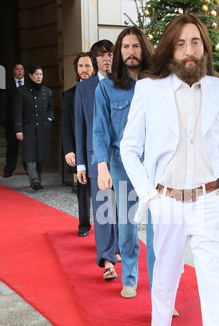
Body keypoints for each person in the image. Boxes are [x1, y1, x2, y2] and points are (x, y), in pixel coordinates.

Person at [120, 14, 219, 326]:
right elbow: (129, 148)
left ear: (204, 48)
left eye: (195, 43)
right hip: (168, 200)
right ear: (170, 49)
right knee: (166, 272)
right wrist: (150, 196)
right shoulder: (149, 89)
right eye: (181, 44)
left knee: (213, 289)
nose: (189, 51)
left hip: (210, 201)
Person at [92, 27, 153, 299]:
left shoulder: (157, 83)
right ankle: (130, 277)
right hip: (122, 165)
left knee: (158, 228)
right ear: (119, 52)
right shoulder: (106, 87)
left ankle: (161, 287)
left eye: (136, 46)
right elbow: (99, 130)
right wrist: (101, 165)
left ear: (144, 50)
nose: (131, 51)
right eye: (126, 46)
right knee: (127, 225)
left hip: (154, 165)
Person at [75, 40, 120, 279]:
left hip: (122, 158)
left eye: (110, 54)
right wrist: (81, 163)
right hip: (95, 159)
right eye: (102, 56)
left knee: (122, 207)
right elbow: (79, 127)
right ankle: (106, 259)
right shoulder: (84, 89)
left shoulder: (125, 83)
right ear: (95, 60)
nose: (107, 59)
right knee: (104, 208)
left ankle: (119, 247)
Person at [62, 52, 94, 237]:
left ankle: (106, 229)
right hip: (79, 149)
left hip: (98, 148)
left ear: (94, 67)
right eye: (80, 66)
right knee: (82, 189)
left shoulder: (102, 90)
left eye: (87, 65)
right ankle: (84, 225)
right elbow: (66, 125)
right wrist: (69, 150)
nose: (84, 69)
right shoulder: (69, 95)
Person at [14, 65, 54, 190]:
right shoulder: (21, 91)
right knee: (30, 156)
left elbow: (50, 108)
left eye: (41, 74)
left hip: (42, 128)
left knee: (39, 155)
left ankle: (38, 180)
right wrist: (19, 129)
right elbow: (18, 112)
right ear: (30, 75)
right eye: (36, 74)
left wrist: (49, 118)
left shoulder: (47, 91)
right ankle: (35, 180)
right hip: (28, 128)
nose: (39, 77)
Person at [2, 63, 27, 178]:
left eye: (21, 69)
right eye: (17, 69)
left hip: (26, 122)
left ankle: (29, 170)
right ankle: (8, 170)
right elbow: (3, 103)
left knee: (27, 147)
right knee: (12, 146)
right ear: (13, 71)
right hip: (11, 122)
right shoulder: (6, 84)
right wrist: (4, 120)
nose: (20, 71)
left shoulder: (29, 84)